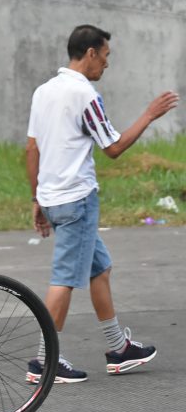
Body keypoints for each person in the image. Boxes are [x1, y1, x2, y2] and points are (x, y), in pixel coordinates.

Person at [25, 25, 179, 383]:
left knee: (100, 268)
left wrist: (36, 196)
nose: (106, 65)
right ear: (91, 53)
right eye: (106, 56)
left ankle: (119, 349)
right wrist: (150, 114)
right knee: (65, 279)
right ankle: (44, 361)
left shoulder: (44, 91)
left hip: (52, 198)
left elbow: (32, 148)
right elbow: (113, 148)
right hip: (77, 200)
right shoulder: (85, 94)